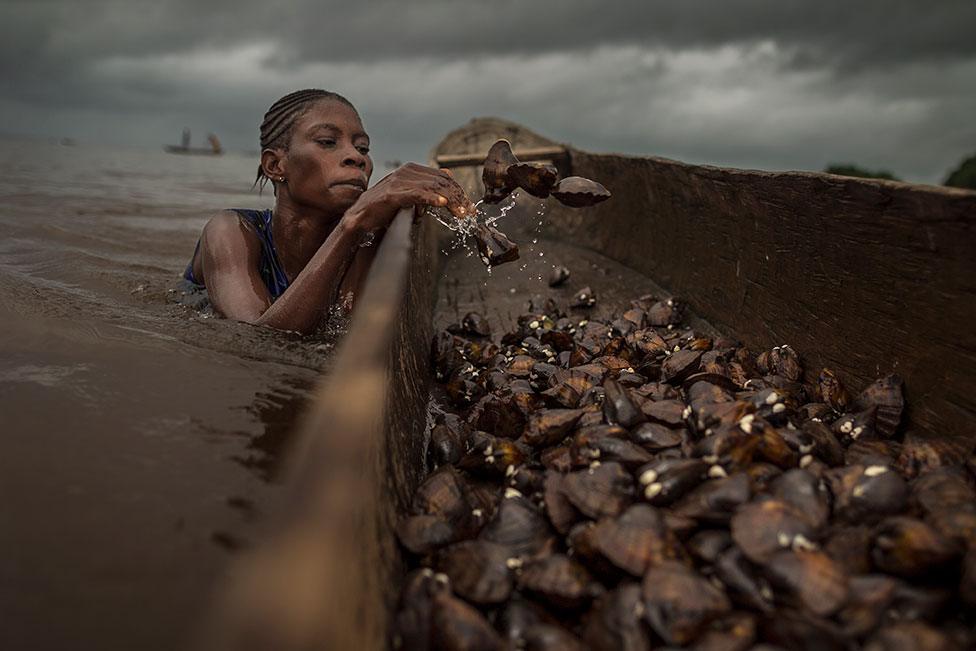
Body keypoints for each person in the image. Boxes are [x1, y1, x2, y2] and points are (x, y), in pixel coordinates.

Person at [183, 89, 474, 334]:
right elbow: (256, 341)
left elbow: (343, 328)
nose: (355, 157)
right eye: (327, 142)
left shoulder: (365, 235)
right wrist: (355, 220)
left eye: (363, 147)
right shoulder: (231, 232)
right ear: (275, 165)